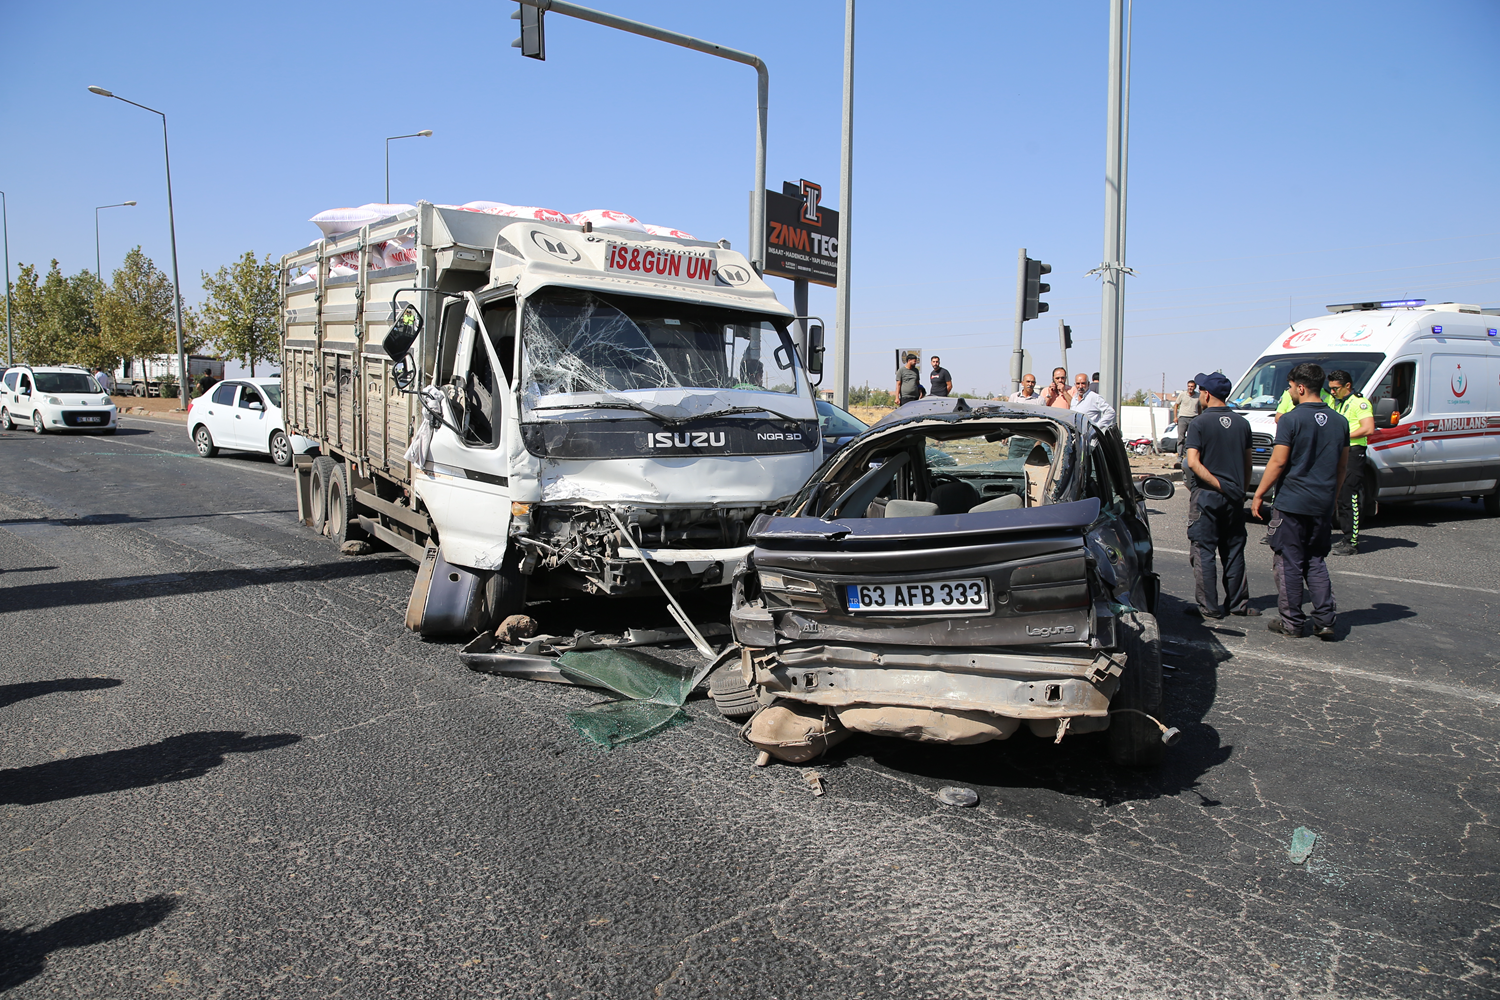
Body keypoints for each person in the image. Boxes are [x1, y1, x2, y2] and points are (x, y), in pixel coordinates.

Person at [1251, 362, 1348, 641]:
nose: (1289, 391)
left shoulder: (1291, 420)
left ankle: (1291, 621)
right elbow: (1342, 467)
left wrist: (1259, 494)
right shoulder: (1340, 421)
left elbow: (1278, 461)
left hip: (1292, 503)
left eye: (1291, 387)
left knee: (1288, 562)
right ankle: (1325, 621)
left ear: (1301, 387)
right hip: (1321, 503)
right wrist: (1332, 497)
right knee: (1315, 560)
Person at [1182, 372, 1256, 619]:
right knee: (1233, 550)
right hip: (1234, 496)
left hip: (1207, 496)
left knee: (1203, 551)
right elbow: (1248, 463)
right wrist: (1239, 489)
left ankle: (1209, 606)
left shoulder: (1199, 423)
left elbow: (1193, 462)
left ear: (1207, 394)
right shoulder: (1242, 423)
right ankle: (1238, 604)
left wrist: (1218, 485)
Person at [1328, 369, 1374, 556]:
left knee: (1349, 496)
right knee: (1339, 495)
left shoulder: (1359, 403)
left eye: (1336, 388)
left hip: (1354, 452)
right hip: (1341, 451)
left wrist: (1343, 436)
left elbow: (1368, 428)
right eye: (1330, 389)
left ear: (1347, 386)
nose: (1332, 392)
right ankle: (1345, 536)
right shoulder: (1339, 402)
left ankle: (1352, 541)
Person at [1171, 379, 1201, 458]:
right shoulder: (1182, 394)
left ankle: (1189, 456)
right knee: (1181, 438)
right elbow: (1176, 405)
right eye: (1189, 386)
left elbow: (1199, 407)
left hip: (1193, 418)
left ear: (1195, 387)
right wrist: (1175, 417)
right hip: (1183, 418)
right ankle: (1180, 456)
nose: (1190, 388)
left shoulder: (1198, 396)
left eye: (1192, 386)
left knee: (1192, 438)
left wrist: (1200, 417)